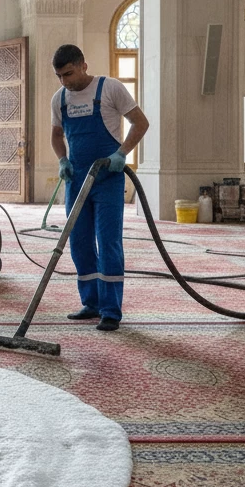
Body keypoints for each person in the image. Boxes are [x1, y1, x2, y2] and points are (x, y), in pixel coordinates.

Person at [50, 44, 149, 332]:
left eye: (68, 73)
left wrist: (122, 153)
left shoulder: (110, 89)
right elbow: (56, 135)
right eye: (59, 76)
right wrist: (62, 159)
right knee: (79, 242)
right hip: (76, 179)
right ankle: (91, 302)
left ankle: (110, 310)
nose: (65, 81)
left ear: (83, 64)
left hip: (107, 177)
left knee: (108, 242)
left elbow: (140, 123)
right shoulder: (59, 99)